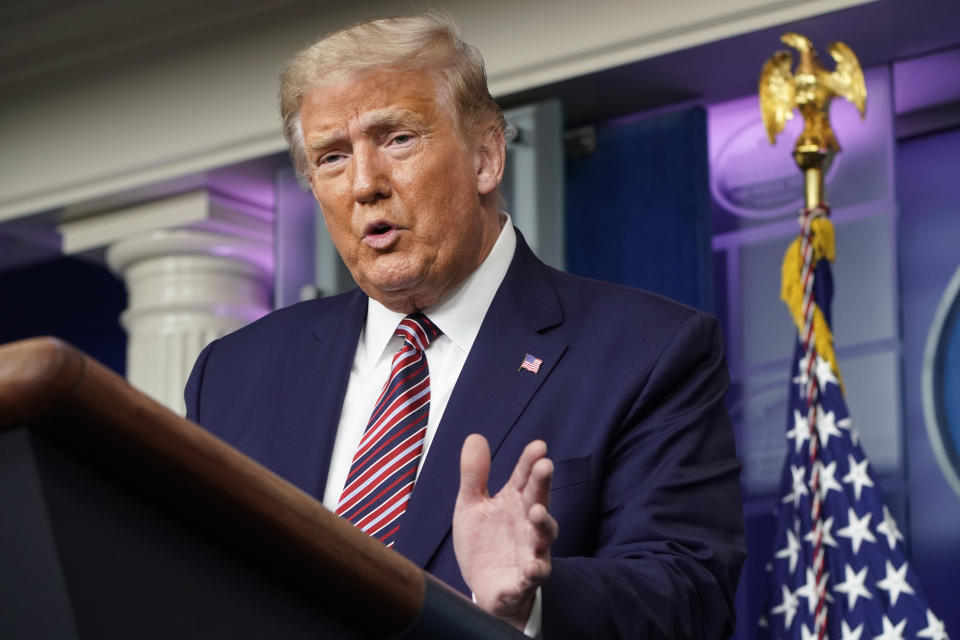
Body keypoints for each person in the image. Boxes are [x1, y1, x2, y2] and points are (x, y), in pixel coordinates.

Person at [185, 13, 744, 638]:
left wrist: (529, 600)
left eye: (396, 138)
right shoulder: (233, 375)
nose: (365, 184)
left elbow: (688, 596)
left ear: (485, 157)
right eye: (332, 158)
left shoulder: (647, 352)